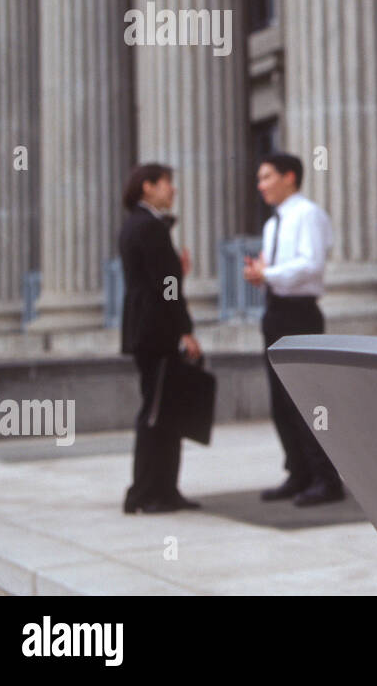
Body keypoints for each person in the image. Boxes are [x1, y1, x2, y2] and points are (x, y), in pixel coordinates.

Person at [243, 152, 342, 506]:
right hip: (276, 311)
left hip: (300, 314)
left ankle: (326, 478)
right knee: (281, 401)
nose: (261, 185)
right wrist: (262, 275)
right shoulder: (273, 224)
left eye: (267, 176)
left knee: (307, 398)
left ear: (289, 177)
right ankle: (298, 472)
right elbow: (283, 269)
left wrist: (267, 274)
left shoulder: (308, 214)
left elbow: (311, 265)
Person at [118, 163, 202, 514]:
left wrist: (174, 273)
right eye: (167, 183)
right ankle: (148, 493)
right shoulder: (150, 226)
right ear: (147, 187)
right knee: (157, 411)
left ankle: (161, 491)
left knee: (162, 410)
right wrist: (185, 330)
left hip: (146, 329)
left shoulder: (138, 225)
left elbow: (158, 278)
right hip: (157, 331)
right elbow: (164, 289)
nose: (173, 190)